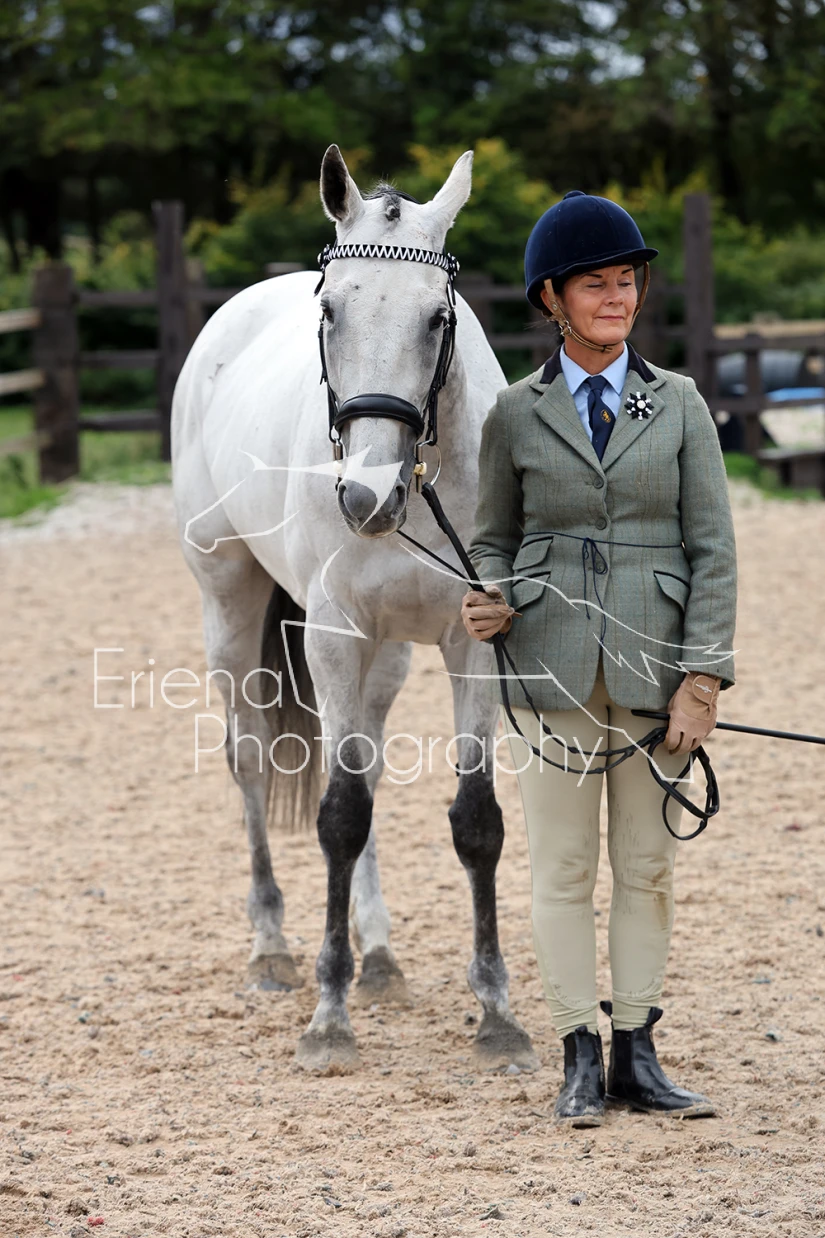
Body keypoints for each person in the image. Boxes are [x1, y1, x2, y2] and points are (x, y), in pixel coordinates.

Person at [461, 190, 737, 1127]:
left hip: (658, 673)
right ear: (552, 299)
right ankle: (578, 1052)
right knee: (562, 869)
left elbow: (713, 550)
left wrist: (703, 676)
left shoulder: (682, 404)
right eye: (594, 284)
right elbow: (492, 538)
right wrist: (487, 594)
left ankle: (636, 1052)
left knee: (647, 866)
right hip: (547, 665)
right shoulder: (513, 413)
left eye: (626, 281)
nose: (616, 298)